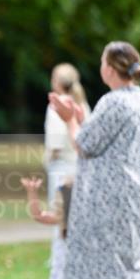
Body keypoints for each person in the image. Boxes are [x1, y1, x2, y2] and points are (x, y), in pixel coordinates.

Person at [49, 41, 140, 279]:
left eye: (103, 62)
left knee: (116, 266)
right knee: (136, 263)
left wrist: (69, 119)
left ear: (111, 67)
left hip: (111, 197)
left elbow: (84, 145)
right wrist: (81, 119)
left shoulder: (113, 101)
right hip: (136, 194)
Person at [43, 63, 91, 203]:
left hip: (61, 166)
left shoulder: (56, 105)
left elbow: (55, 143)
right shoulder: (83, 105)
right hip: (81, 167)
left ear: (57, 82)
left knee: (59, 212)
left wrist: (49, 161)